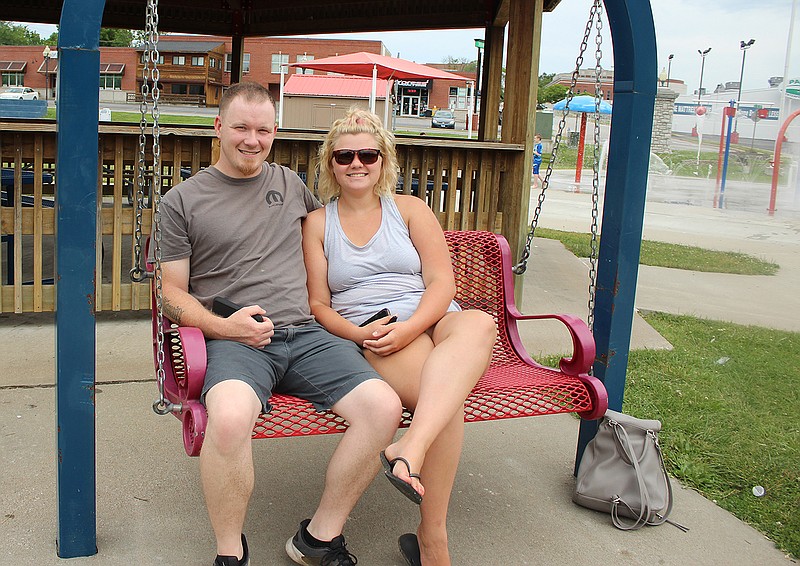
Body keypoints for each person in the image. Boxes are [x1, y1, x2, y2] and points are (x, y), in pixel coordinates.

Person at [156, 83, 402, 566]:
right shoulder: (183, 200)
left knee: (383, 407)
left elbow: (341, 232)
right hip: (237, 339)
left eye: (263, 130)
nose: (252, 139)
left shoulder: (290, 185)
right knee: (226, 419)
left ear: (275, 132)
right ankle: (230, 551)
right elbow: (170, 293)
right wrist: (225, 328)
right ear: (218, 127)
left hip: (308, 334)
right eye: (242, 128)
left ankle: (319, 537)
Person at [302, 108, 497, 566]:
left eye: (367, 154)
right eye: (345, 155)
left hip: (432, 315)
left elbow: (443, 284)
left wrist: (416, 325)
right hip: (378, 327)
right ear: (330, 162)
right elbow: (318, 305)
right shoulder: (318, 224)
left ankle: (410, 447)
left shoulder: (410, 210)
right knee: (444, 406)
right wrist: (359, 333)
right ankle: (432, 541)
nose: (356, 164)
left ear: (383, 160)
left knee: (481, 324)